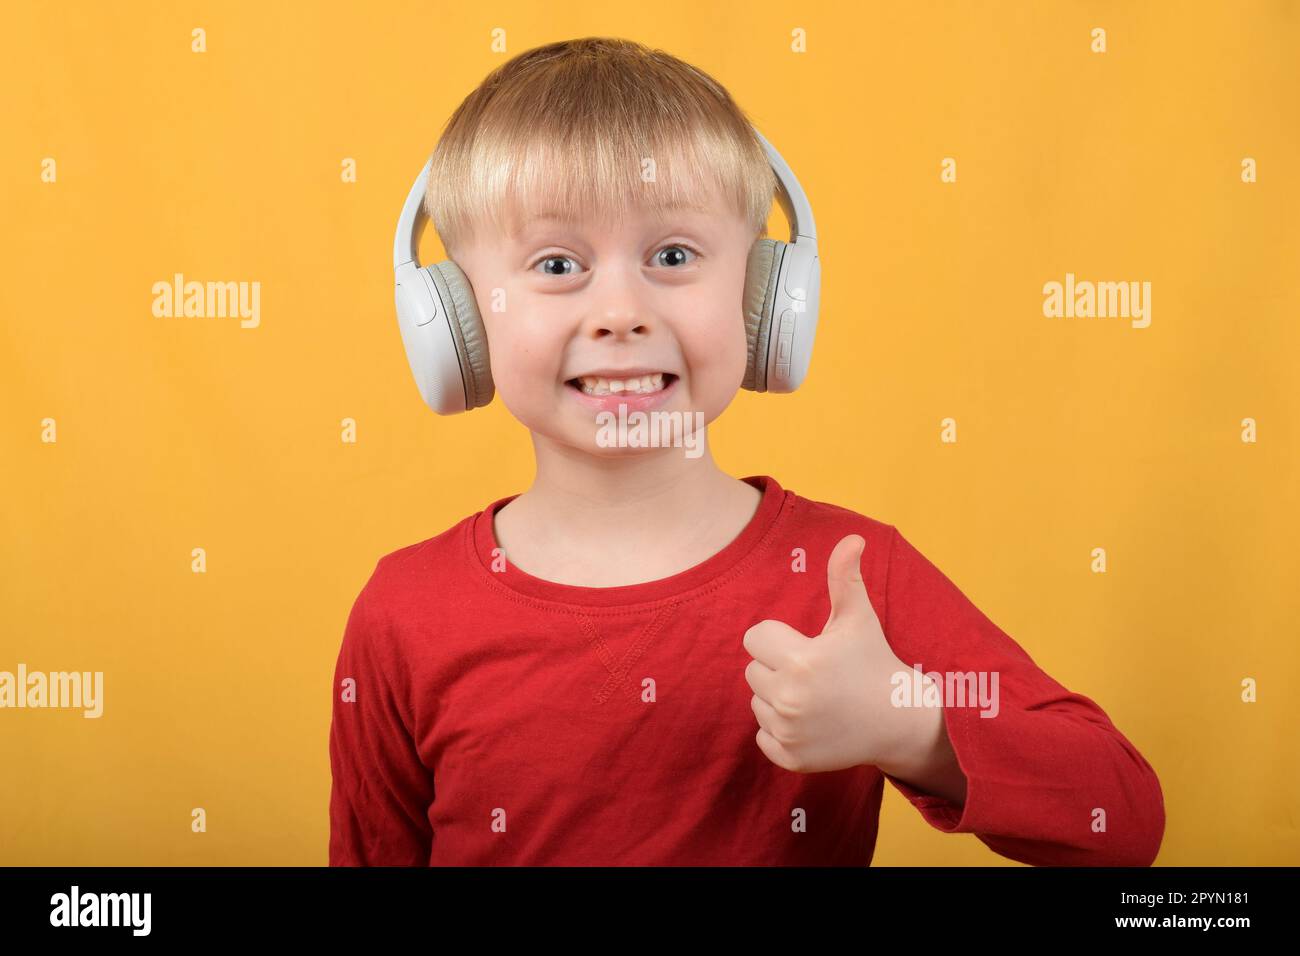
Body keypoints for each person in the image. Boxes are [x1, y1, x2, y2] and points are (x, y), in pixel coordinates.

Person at [328, 36, 1164, 866]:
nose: (621, 310)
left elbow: (1120, 816)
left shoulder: (848, 577)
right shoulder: (403, 612)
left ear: (766, 297)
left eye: (673, 255)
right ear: (459, 318)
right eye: (556, 263)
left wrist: (907, 725)